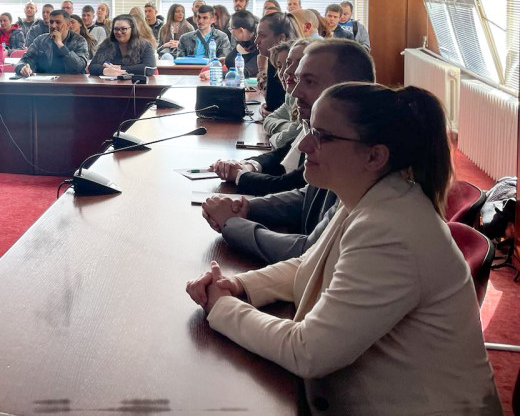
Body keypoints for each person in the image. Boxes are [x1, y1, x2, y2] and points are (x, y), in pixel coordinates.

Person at [188, 83, 501, 414]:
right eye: (310, 130)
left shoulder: (391, 230)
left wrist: (222, 307)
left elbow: (307, 352)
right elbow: (309, 264)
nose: (304, 144)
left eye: (322, 136)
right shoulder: (367, 195)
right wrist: (239, 285)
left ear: (374, 156)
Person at [207, 39, 377, 251]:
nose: (295, 92)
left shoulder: (355, 146)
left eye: (310, 82)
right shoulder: (333, 132)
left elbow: (309, 251)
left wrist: (231, 223)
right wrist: (246, 207)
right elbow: (309, 196)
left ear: (348, 86)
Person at [262, 39, 310, 149]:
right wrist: (289, 126)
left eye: (299, 64)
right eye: (279, 66)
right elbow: (268, 120)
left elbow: (282, 141)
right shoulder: (291, 96)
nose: (285, 71)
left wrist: (275, 136)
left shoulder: (311, 101)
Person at [14, 10, 89, 77]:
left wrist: (60, 45)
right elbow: (25, 59)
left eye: (58, 22)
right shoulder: (40, 40)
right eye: (51, 22)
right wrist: (22, 67)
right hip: (45, 84)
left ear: (68, 25)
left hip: (72, 84)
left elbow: (78, 67)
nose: (53, 26)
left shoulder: (79, 41)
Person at [255, 12, 298, 113]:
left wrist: (261, 70)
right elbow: (272, 103)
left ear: (281, 38)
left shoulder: (292, 65)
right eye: (257, 35)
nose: (256, 41)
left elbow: (289, 113)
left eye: (262, 36)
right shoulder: (273, 59)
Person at [88, 14, 157, 77]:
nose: (119, 32)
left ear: (132, 29)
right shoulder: (106, 44)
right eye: (116, 29)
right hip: (110, 85)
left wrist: (119, 69)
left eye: (123, 29)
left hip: (136, 84)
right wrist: (104, 70)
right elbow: (92, 67)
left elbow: (149, 69)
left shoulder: (145, 45)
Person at [223, 10, 259, 77]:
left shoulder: (259, 48)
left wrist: (219, 73)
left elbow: (245, 72)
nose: (231, 32)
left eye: (231, 29)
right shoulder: (241, 43)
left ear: (241, 30)